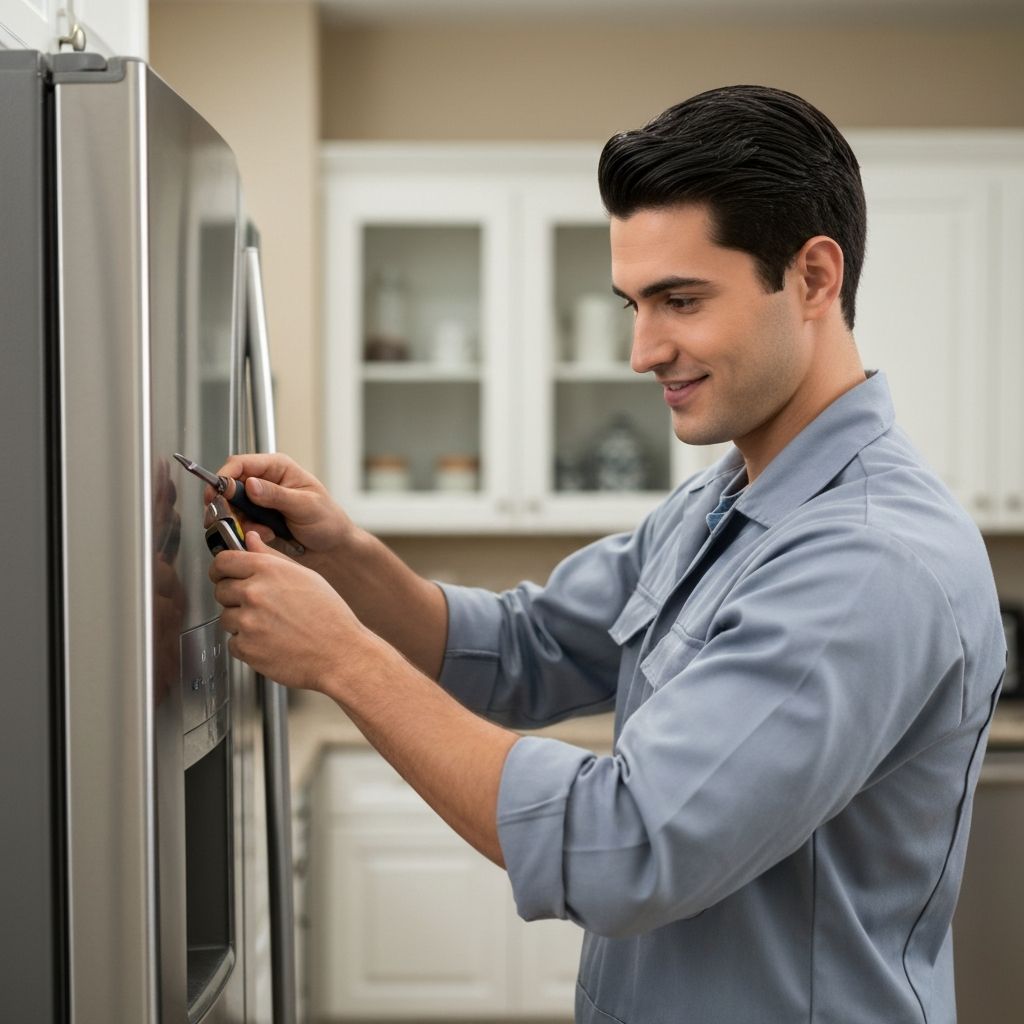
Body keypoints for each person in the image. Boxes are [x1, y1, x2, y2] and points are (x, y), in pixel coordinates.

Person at [209, 85, 1006, 1023]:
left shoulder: (867, 561)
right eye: (632, 302)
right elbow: (520, 649)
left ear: (815, 279)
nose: (641, 350)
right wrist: (346, 558)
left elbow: (622, 847)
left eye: (680, 300)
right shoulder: (726, 501)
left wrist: (340, 658)